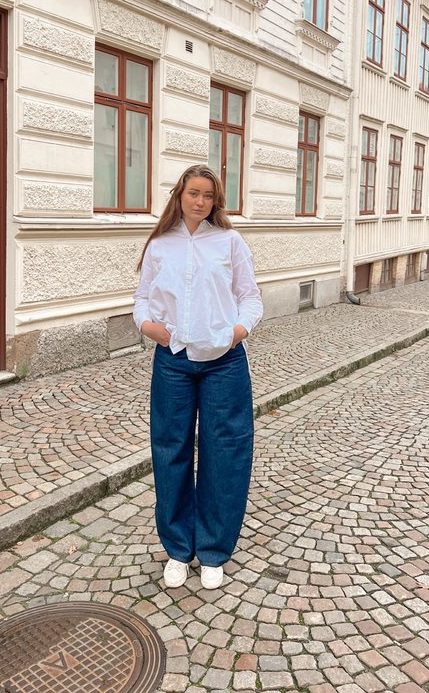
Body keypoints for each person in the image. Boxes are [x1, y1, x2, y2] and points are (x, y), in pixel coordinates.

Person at [133, 164, 263, 590]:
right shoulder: (160, 245)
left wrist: (237, 332)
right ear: (180, 195)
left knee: (225, 452)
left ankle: (212, 549)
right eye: (194, 193)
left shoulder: (229, 242)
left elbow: (250, 297)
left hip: (224, 362)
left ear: (215, 200)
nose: (200, 201)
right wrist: (147, 325)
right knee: (170, 450)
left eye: (208, 195)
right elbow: (143, 297)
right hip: (173, 360)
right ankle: (176, 549)